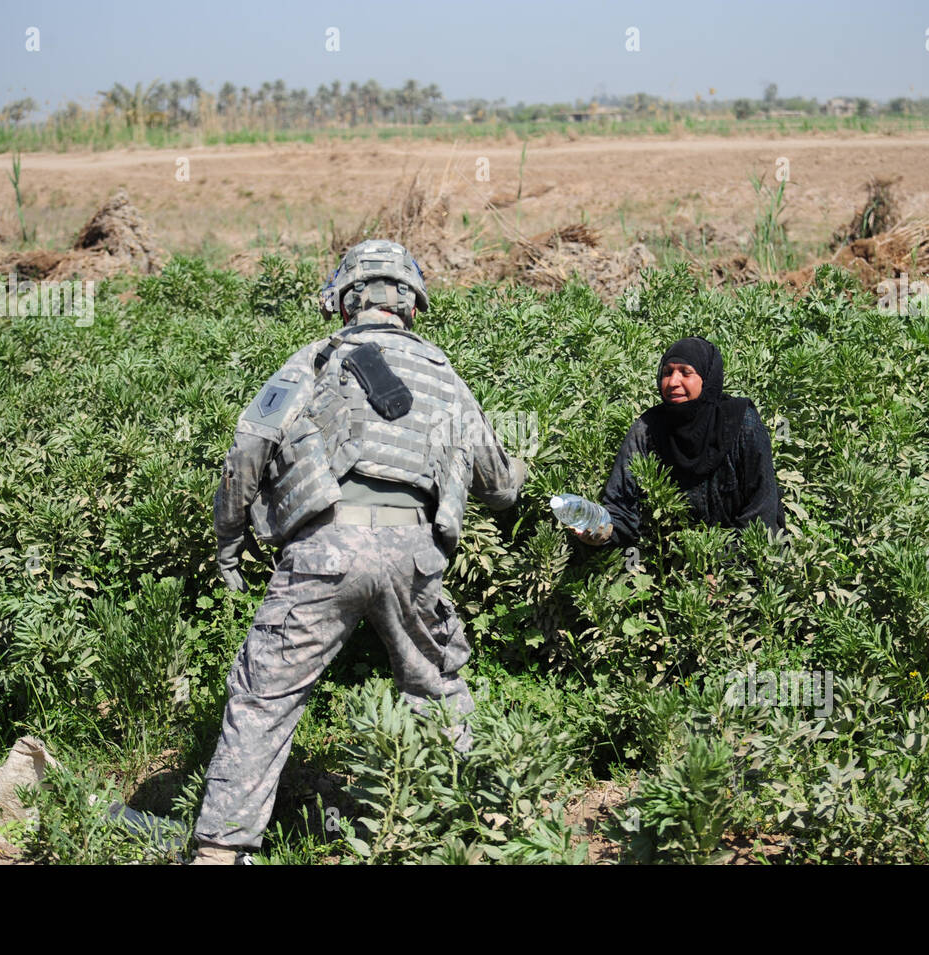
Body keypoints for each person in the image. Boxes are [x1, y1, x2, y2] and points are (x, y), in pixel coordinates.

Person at [191, 239, 526, 864]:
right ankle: (477, 830)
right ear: (412, 304)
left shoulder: (314, 360)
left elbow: (247, 450)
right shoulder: (446, 375)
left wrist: (229, 542)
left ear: (345, 300)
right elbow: (502, 488)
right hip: (415, 557)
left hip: (326, 551)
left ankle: (220, 851)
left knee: (265, 699)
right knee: (437, 690)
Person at [574, 335, 784, 549]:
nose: (673, 382)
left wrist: (722, 560)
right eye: (667, 372)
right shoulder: (647, 429)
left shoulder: (742, 423)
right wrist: (604, 530)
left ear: (707, 378)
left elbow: (762, 510)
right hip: (673, 556)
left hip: (744, 554)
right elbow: (622, 505)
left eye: (685, 372)